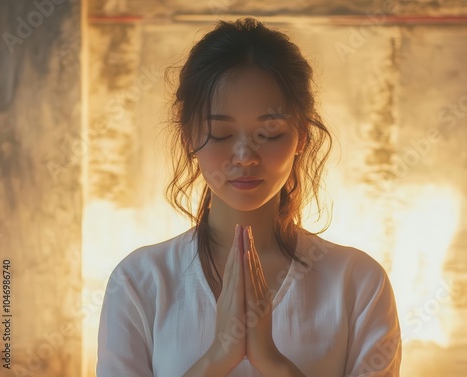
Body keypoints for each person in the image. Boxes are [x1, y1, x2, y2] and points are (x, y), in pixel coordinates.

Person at [96, 17, 402, 377]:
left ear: (301, 136)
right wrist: (218, 357)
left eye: (269, 133)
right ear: (188, 135)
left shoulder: (358, 284)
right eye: (221, 133)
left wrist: (273, 362)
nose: (244, 156)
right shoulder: (139, 282)